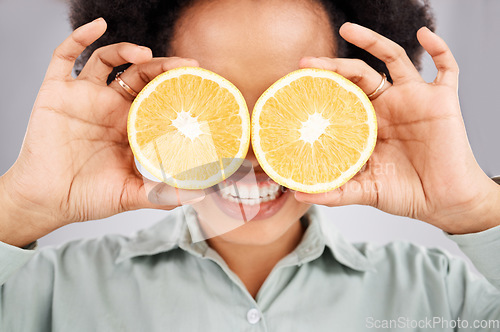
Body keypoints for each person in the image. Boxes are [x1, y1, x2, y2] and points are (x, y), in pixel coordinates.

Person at [0, 0, 499, 330]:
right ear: (151, 107)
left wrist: (476, 208)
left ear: (352, 110)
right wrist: (19, 207)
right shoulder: (48, 293)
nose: (250, 156)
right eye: (219, 107)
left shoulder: (445, 298)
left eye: (286, 105)